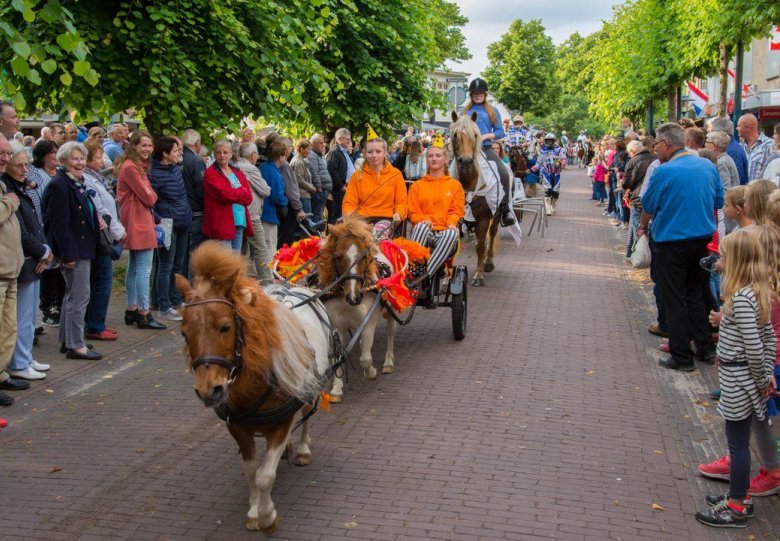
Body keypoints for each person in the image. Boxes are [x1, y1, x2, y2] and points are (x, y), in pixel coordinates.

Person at [694, 229, 777, 528]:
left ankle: (737, 506)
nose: (718, 260)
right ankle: (738, 494)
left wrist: (759, 376)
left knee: (738, 443)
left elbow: (755, 345)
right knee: (740, 441)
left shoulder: (741, 298)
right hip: (745, 376)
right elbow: (768, 338)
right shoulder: (756, 292)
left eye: (723, 256)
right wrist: (767, 374)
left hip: (738, 377)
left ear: (735, 261)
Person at [639, 123, 723, 371]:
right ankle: (705, 347)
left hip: (671, 242)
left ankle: (681, 356)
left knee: (674, 297)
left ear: (666, 144)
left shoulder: (664, 171)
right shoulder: (708, 165)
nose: (655, 151)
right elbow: (718, 200)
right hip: (701, 239)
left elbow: (649, 204)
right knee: (695, 293)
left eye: (656, 146)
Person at [43, 142, 104, 360]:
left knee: (72, 296)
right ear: (63, 161)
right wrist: (68, 254)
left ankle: (67, 339)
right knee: (79, 296)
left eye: (81, 158)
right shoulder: (59, 185)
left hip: (83, 247)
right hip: (74, 250)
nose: (79, 163)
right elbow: (60, 224)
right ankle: (75, 344)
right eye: (74, 159)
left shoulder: (75, 182)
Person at [2, 142, 51, 380]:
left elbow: (34, 223)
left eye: (26, 165)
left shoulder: (21, 189)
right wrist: (40, 250)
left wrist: (45, 249)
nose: (24, 169)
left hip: (33, 256)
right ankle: (19, 362)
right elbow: (20, 230)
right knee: (19, 317)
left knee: (30, 316)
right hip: (23, 259)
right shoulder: (10, 190)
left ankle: (26, 356)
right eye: (18, 165)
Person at [116, 130, 166, 330]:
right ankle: (145, 313)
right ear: (134, 146)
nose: (147, 149)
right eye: (144, 145)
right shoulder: (131, 168)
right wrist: (151, 194)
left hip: (136, 219)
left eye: (150, 145)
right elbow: (150, 198)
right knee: (144, 270)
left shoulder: (136, 166)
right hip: (138, 221)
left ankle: (132, 308)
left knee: (134, 267)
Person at [407, 134, 464, 281]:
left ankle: (426, 274)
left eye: (438, 155)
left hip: (444, 233)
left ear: (445, 159)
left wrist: (452, 224)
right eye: (430, 156)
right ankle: (412, 268)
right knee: (420, 227)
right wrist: (422, 219)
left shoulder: (454, 185)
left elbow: (456, 210)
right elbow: (412, 211)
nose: (434, 159)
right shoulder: (417, 186)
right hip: (423, 233)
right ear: (426, 159)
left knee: (452, 234)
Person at [82, 141, 124, 341]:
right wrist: (118, 231)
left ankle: (95, 322)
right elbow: (101, 209)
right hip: (100, 236)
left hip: (105, 233)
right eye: (98, 157)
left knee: (100, 280)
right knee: (102, 281)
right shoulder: (88, 180)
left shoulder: (97, 178)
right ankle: (95, 325)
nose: (102, 160)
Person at [462, 78, 515, 226]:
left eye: (480, 93)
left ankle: (505, 209)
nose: (477, 95)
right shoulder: (465, 111)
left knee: (504, 174)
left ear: (485, 94)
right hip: (467, 150)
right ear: (471, 94)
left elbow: (499, 132)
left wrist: (485, 136)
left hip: (485, 148)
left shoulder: (493, 110)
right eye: (475, 93)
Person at [149, 137, 191, 321]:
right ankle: (163, 305)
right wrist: (159, 219)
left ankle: (176, 299)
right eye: (175, 151)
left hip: (182, 220)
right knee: (165, 266)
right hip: (167, 223)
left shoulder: (175, 169)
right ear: (165, 153)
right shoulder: (155, 174)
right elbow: (150, 201)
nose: (179, 153)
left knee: (178, 265)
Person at [0, 134, 27, 408]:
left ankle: (1, 373)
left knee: (8, 329)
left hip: (10, 269)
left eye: (6, 153)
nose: (4, 158)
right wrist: (8, 202)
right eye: (1, 153)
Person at [342, 129, 407, 234]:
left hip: (386, 219)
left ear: (385, 153)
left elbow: (402, 202)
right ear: (365, 154)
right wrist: (348, 214)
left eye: (378, 151)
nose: (374, 155)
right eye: (370, 152)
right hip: (362, 219)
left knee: (377, 234)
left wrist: (399, 213)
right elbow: (349, 202)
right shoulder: (357, 176)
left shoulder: (396, 174)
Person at [203, 140, 254, 251]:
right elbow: (224, 194)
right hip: (222, 223)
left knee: (235, 262)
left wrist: (235, 193)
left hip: (239, 221)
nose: (222, 155)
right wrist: (241, 191)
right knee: (225, 263)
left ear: (231, 154)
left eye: (225, 152)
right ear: (214, 154)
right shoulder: (211, 172)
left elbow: (249, 197)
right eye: (218, 152)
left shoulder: (236, 172)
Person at [235, 142, 273, 283]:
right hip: (251, 215)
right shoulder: (250, 169)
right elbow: (265, 190)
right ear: (252, 155)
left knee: (241, 250)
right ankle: (266, 282)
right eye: (256, 154)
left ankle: (241, 281)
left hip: (240, 214)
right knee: (260, 249)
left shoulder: (235, 166)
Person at [621, 139, 654, 257]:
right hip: (652, 196)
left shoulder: (633, 161)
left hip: (638, 198)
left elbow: (627, 182)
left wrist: (625, 188)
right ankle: (631, 252)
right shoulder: (655, 158)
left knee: (637, 226)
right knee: (649, 226)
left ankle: (638, 253)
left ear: (633, 151)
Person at [273, 136, 305, 248]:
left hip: (284, 207)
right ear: (286, 148)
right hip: (288, 207)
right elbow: (290, 189)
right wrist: (299, 208)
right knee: (286, 240)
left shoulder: (278, 164)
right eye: (290, 147)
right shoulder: (284, 165)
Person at [259, 140, 289, 254]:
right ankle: (269, 272)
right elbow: (277, 196)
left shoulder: (263, 167)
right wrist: (285, 201)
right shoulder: (274, 173)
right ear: (281, 156)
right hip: (269, 214)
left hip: (260, 213)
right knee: (269, 247)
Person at [180, 129, 207, 254]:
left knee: (182, 253)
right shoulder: (196, 161)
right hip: (195, 212)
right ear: (197, 143)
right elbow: (201, 188)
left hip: (180, 210)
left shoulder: (177, 158)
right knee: (194, 252)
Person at [534, 133, 568, 215]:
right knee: (548, 191)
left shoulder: (560, 150)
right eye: (548, 141)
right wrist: (530, 170)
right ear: (545, 141)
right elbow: (538, 163)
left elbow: (564, 160)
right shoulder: (542, 151)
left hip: (556, 174)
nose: (549, 142)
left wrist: (559, 163)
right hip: (546, 174)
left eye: (551, 141)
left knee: (555, 193)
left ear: (554, 141)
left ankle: (553, 203)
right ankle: (547, 208)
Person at [326, 128, 355, 224]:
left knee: (342, 215)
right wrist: (341, 186)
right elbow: (332, 171)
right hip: (339, 190)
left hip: (347, 187)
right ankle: (333, 236)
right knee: (337, 215)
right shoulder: (334, 152)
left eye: (349, 139)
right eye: (347, 139)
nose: (349, 141)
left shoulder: (344, 151)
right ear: (339, 139)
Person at [738, 114, 774, 181]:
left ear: (747, 127)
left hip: (762, 190)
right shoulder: (740, 147)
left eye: (739, 126)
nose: (737, 128)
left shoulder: (770, 145)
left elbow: (773, 171)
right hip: (743, 190)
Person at [290, 138, 318, 227]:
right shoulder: (298, 161)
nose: (310, 152)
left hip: (305, 194)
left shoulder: (301, 160)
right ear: (301, 149)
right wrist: (311, 187)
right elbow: (299, 179)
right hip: (303, 194)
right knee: (307, 222)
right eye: (308, 149)